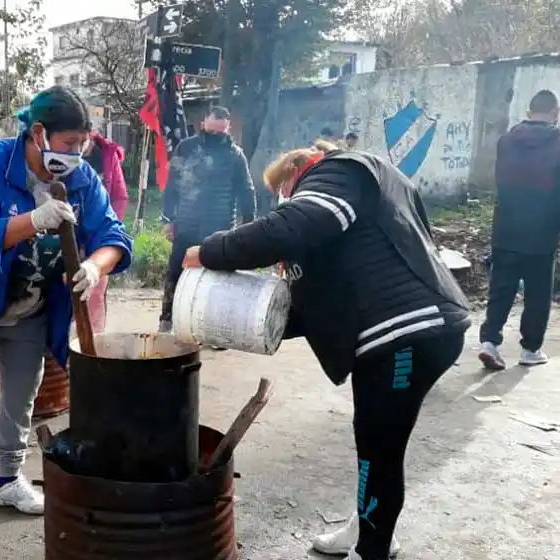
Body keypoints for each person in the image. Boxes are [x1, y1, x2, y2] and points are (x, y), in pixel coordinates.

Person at [181, 140, 470, 560]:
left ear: (298, 169)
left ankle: (371, 549)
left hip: (404, 335)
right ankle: (369, 530)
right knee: (378, 444)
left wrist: (210, 251)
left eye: (285, 191)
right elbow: (317, 302)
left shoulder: (341, 172)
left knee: (380, 449)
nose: (285, 201)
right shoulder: (360, 195)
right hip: (410, 332)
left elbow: (291, 226)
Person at [0, 86, 132, 555]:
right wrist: (35, 220)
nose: (75, 154)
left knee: (20, 400)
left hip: (29, 311)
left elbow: (113, 233)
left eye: (82, 144)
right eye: (67, 143)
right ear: (38, 132)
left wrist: (95, 266)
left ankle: (5, 479)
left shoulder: (82, 179)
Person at [478, 89, 560, 370]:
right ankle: (530, 350)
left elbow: (501, 180)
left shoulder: (506, 141)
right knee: (537, 295)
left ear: (528, 113)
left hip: (506, 229)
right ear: (555, 113)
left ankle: (489, 342)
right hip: (542, 234)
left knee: (501, 289)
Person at [158, 105, 256, 333]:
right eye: (212, 132)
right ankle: (167, 321)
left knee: (219, 281)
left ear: (227, 129)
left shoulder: (235, 155)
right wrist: (169, 219)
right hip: (187, 224)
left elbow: (246, 191)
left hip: (221, 228)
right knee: (176, 272)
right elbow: (172, 185)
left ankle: (215, 330)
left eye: (220, 134)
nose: (215, 138)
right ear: (204, 125)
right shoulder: (186, 148)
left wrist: (248, 224)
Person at [83, 130, 129, 332]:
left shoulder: (108, 155)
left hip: (97, 236)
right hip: (60, 233)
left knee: (94, 293)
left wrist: (109, 229)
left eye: (83, 140)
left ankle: (93, 346)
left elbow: (119, 196)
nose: (79, 147)